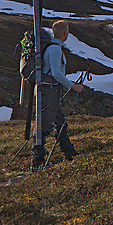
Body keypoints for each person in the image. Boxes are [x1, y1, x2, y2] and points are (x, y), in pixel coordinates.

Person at [31, 20, 83, 170]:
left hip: (50, 91)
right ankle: (37, 163)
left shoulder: (52, 47)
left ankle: (69, 153)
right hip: (49, 92)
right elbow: (56, 73)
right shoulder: (55, 50)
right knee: (44, 126)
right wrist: (73, 86)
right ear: (65, 33)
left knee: (60, 122)